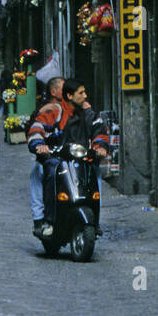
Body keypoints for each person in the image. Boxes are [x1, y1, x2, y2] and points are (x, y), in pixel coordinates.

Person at [34, 78, 109, 238]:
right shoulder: (54, 111)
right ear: (69, 96)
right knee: (47, 171)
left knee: (94, 172)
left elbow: (99, 130)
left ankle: (95, 220)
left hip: (82, 158)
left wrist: (100, 146)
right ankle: (46, 219)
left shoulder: (89, 114)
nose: (85, 96)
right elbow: (37, 127)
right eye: (81, 93)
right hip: (58, 158)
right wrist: (40, 144)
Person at [27, 76, 68, 237]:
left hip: (70, 155)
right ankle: (39, 218)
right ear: (54, 91)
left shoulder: (72, 109)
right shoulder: (46, 110)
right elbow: (35, 129)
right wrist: (39, 145)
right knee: (38, 172)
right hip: (50, 154)